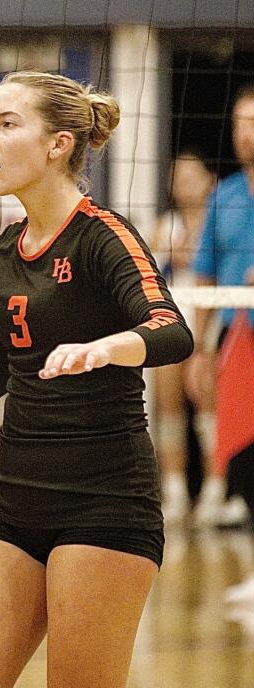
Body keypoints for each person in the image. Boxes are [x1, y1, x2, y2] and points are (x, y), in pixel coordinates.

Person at [0, 71, 193, 688]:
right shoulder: (9, 246)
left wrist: (108, 347)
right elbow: (11, 355)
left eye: (7, 124)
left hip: (104, 506)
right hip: (16, 502)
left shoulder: (102, 234)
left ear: (59, 144)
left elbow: (171, 329)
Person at [188, 85, 254, 625]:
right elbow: (205, 275)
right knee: (243, 450)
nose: (245, 132)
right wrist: (197, 350)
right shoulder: (225, 196)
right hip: (239, 336)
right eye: (239, 122)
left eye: (253, 121)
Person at [146, 151, 217, 524]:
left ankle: (215, 491)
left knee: (208, 405)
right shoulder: (166, 225)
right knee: (169, 408)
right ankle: (174, 491)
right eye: (178, 176)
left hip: (209, 318)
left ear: (210, 180)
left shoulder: (221, 218)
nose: (184, 182)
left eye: (192, 175)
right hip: (172, 320)